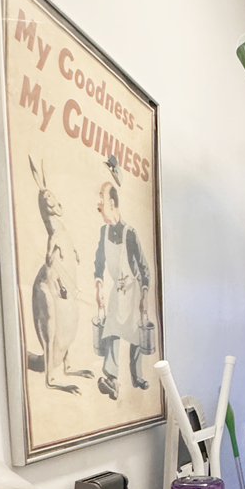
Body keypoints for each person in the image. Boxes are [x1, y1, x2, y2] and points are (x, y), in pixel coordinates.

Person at [94, 156, 151, 400]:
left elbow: (144, 268)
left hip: (134, 289)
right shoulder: (103, 232)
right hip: (118, 290)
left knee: (136, 334)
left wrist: (145, 295)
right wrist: (98, 284)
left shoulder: (130, 233)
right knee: (113, 330)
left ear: (113, 204)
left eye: (102, 200)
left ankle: (136, 376)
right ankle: (111, 379)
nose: (98, 205)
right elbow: (99, 262)